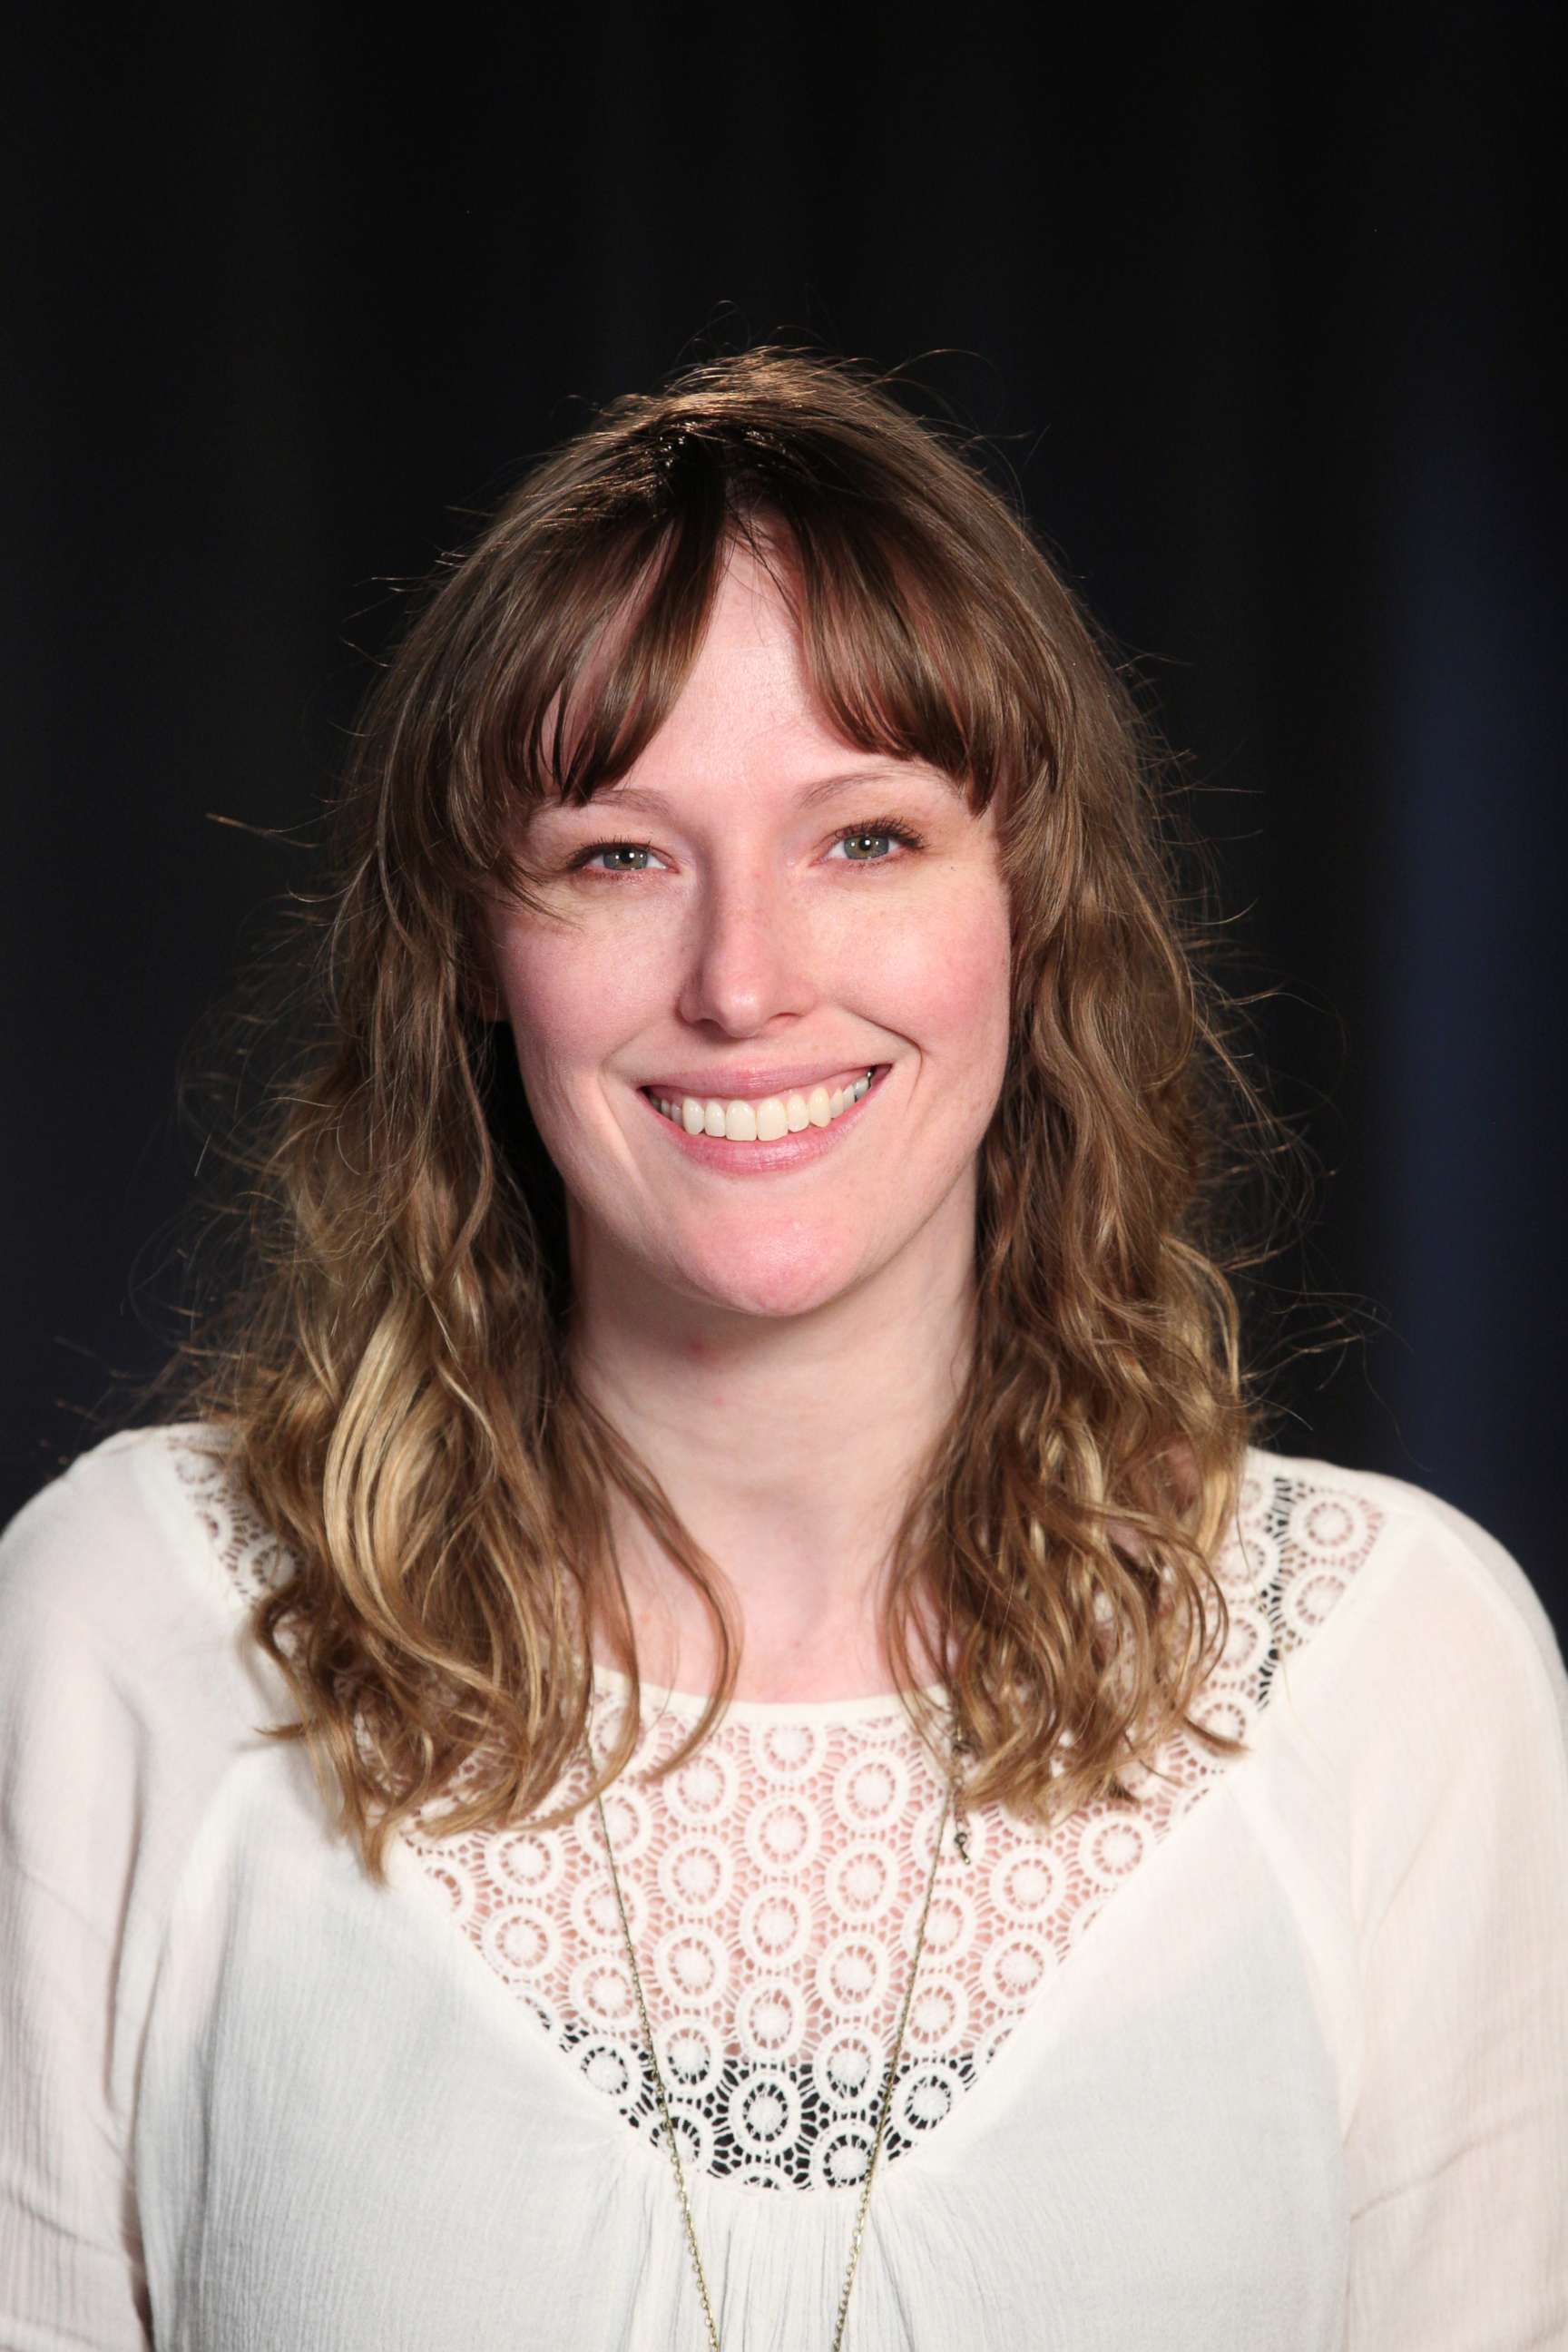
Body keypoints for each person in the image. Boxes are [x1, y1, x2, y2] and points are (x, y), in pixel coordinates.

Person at [2, 347, 1564, 2351]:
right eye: (617, 855)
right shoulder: (132, 1632)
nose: (745, 983)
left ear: (1034, 910)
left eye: (867, 839)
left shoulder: (1394, 1674)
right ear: (480, 960)